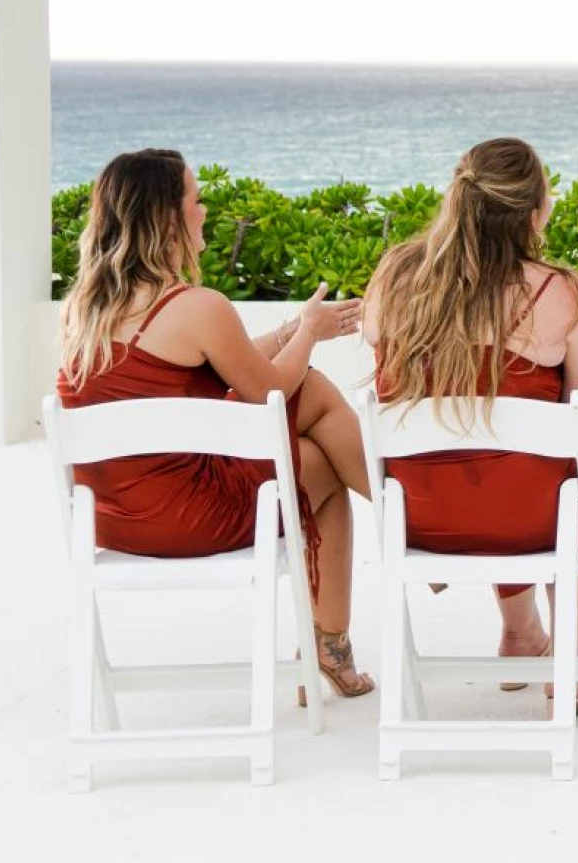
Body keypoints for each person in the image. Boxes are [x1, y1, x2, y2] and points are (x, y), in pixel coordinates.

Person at [57, 148, 375, 698]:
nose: (206, 210)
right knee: (319, 446)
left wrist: (294, 329)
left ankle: (408, 528)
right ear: (168, 217)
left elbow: (220, 366)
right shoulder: (197, 305)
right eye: (196, 199)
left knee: (313, 411)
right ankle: (411, 531)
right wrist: (310, 334)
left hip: (112, 520)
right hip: (185, 517)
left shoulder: (84, 311)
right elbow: (269, 392)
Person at [364, 138, 578, 716]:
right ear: (535, 214)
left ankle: (520, 634)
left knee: (484, 472)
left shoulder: (394, 277)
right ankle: (562, 661)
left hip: (421, 514)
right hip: (529, 516)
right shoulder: (562, 293)